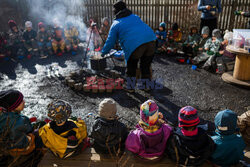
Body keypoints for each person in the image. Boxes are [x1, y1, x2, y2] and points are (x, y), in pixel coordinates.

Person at [102, 1, 156, 91]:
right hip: (152, 40)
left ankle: (130, 87)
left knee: (131, 67)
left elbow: (110, 41)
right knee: (145, 65)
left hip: (135, 46)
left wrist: (103, 52)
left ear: (116, 11)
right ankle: (146, 86)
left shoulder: (116, 24)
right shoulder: (135, 17)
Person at [0, 90, 41, 166]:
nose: (24, 102)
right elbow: (22, 144)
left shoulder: (3, 115)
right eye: (21, 101)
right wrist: (32, 136)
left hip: (4, 146)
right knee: (40, 135)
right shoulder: (20, 121)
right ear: (13, 106)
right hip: (16, 151)